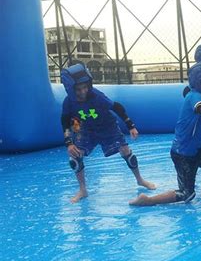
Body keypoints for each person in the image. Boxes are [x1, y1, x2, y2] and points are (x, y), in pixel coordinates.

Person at [129, 62, 201, 206]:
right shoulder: (194, 96)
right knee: (187, 194)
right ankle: (148, 200)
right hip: (183, 154)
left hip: (198, 149)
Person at [60, 63, 156, 203]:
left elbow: (116, 107)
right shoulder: (69, 102)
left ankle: (140, 180)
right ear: (70, 90)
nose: (83, 92)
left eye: (85, 87)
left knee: (125, 150)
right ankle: (83, 190)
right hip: (85, 128)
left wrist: (131, 125)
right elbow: (65, 120)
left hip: (107, 126)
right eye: (79, 89)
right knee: (74, 158)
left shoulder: (96, 96)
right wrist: (68, 142)